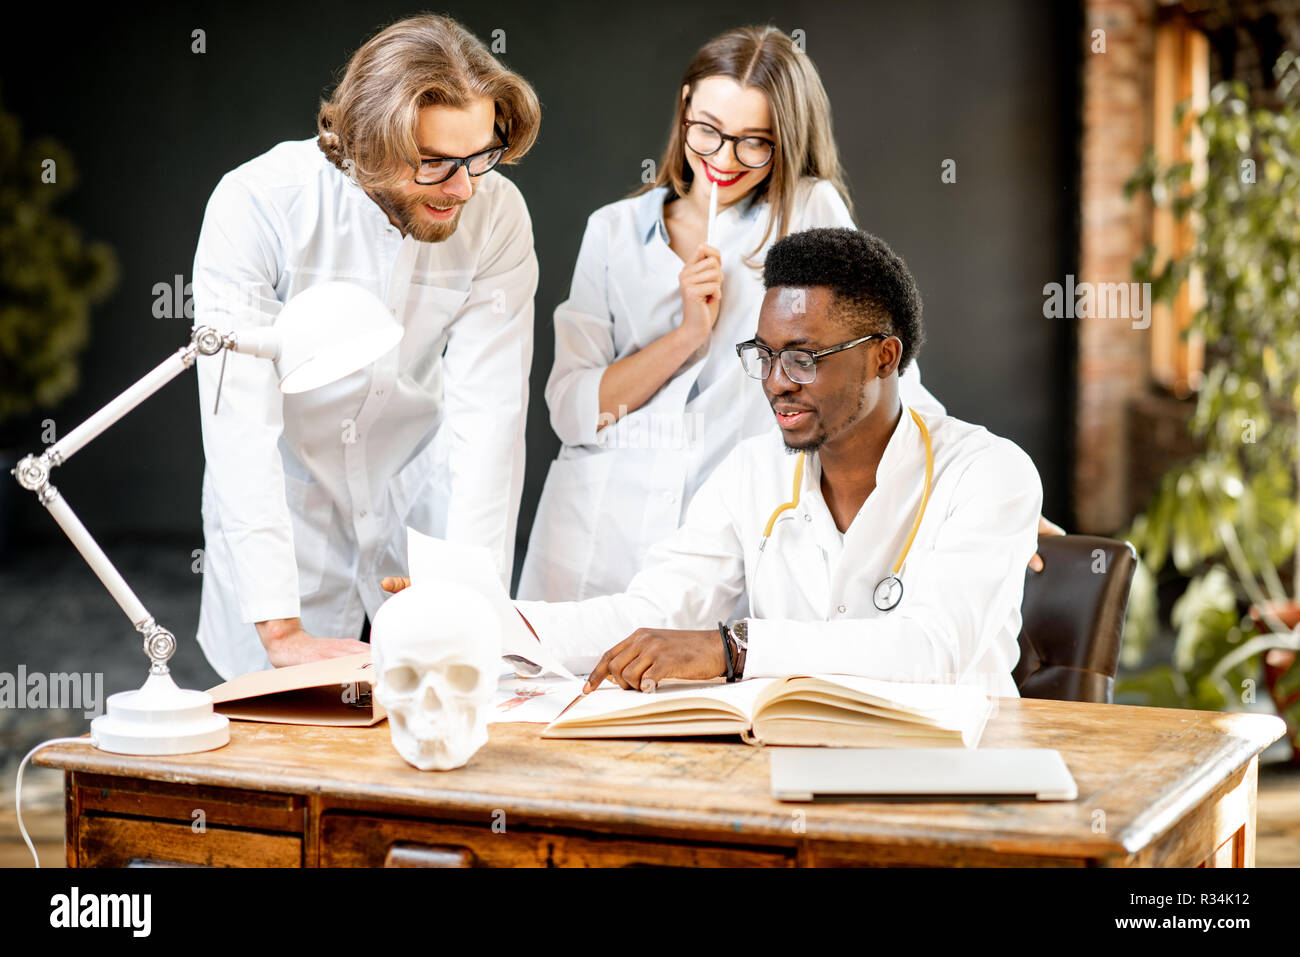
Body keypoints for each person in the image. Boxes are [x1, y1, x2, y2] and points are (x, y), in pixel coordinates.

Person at [512, 228, 1044, 699]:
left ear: (884, 357)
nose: (776, 381)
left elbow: (934, 650)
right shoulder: (751, 471)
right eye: (763, 355)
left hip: (957, 776)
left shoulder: (990, 472)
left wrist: (734, 648)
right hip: (789, 770)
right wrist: (500, 626)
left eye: (802, 358)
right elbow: (652, 613)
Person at [516, 26, 945, 604]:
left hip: (719, 547)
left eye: (754, 142)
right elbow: (572, 413)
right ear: (686, 104)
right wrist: (689, 335)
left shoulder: (808, 210)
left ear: (785, 142)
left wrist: (967, 481)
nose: (723, 158)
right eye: (708, 132)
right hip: (593, 539)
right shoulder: (612, 231)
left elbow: (883, 364)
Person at [192, 14, 540, 679]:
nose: (465, 188)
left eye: (481, 156)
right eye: (435, 163)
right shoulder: (258, 206)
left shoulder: (496, 214)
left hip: (417, 521)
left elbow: (487, 420)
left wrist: (467, 609)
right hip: (289, 534)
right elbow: (239, 427)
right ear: (365, 142)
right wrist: (281, 627)